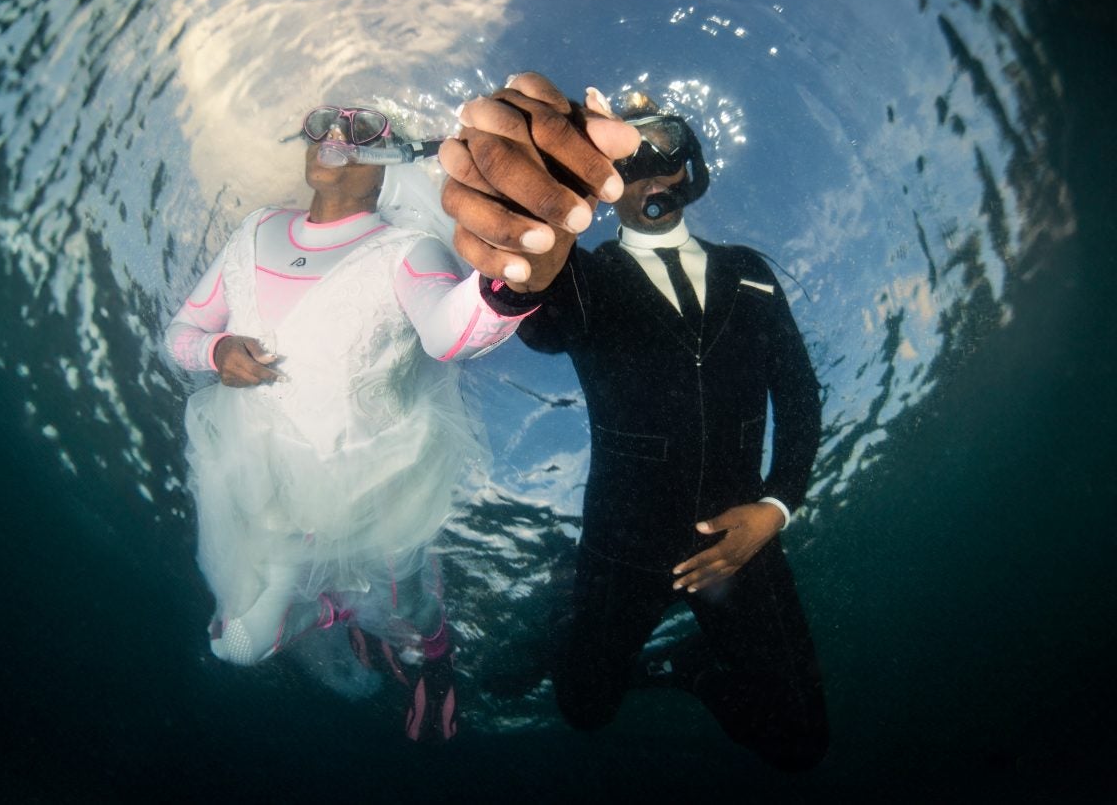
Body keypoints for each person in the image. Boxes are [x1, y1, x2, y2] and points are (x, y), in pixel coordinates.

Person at [441, 75, 829, 770]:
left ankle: (694, 668)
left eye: (667, 145)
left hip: (738, 537)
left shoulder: (749, 274)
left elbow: (798, 396)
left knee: (800, 740)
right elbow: (546, 319)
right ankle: (582, 622)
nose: (651, 166)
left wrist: (776, 507)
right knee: (584, 710)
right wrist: (525, 256)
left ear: (692, 166)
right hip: (626, 541)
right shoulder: (588, 276)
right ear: (605, 182)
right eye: (629, 157)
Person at [165, 105, 542, 742]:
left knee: (408, 604)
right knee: (236, 646)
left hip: (384, 478)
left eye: (361, 130)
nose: (336, 139)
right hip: (270, 486)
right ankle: (337, 606)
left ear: (391, 167)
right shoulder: (255, 230)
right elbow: (180, 333)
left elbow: (452, 334)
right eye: (323, 124)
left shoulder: (408, 250)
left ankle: (435, 648)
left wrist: (514, 284)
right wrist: (215, 352)